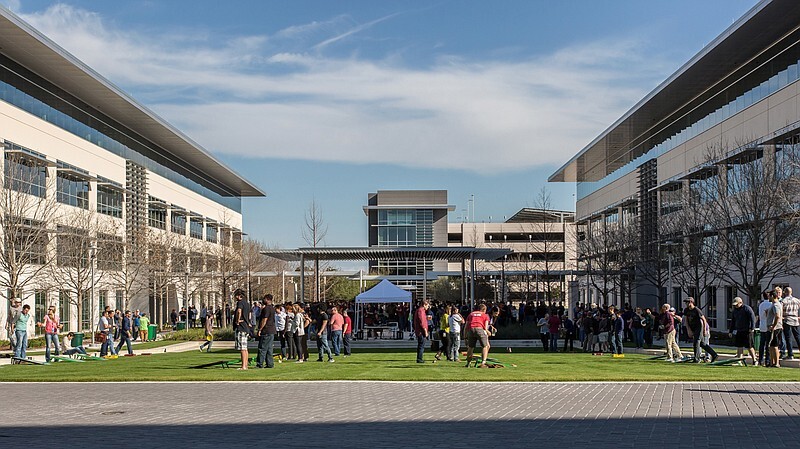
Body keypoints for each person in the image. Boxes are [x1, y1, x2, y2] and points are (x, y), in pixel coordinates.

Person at [682, 298, 717, 363]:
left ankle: (696, 359)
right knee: (702, 344)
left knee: (696, 342)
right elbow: (686, 320)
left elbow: (704, 320)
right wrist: (688, 330)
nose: (686, 304)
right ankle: (714, 354)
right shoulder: (686, 310)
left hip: (699, 327)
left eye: (687, 302)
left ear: (691, 302)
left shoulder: (697, 310)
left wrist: (704, 330)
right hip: (693, 328)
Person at [728, 296, 757, 365]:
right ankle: (739, 361)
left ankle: (754, 360)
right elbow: (733, 321)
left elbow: (752, 318)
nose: (736, 306)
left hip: (747, 330)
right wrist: (730, 331)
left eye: (737, 304)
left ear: (741, 303)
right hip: (739, 330)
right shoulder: (735, 311)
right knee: (739, 346)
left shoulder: (747, 309)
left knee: (749, 346)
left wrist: (752, 328)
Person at [464, 304, 491, 368]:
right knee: (485, 346)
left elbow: (466, 326)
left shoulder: (471, 314)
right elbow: (485, 327)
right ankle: (483, 362)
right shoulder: (485, 315)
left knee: (470, 347)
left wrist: (465, 337)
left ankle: (468, 363)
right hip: (479, 329)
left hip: (471, 329)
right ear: (483, 309)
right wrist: (488, 332)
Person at [233, 289, 252, 370]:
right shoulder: (247, 303)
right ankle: (246, 365)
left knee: (242, 348)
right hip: (246, 326)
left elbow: (239, 311)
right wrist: (248, 321)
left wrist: (237, 320)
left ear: (239, 295)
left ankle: (243, 366)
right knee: (245, 348)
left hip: (241, 327)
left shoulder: (240, 303)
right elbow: (250, 314)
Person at [256, 294, 277, 369]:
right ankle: (270, 363)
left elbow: (264, 320)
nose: (263, 300)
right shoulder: (272, 308)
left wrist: (260, 329)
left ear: (267, 299)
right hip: (272, 330)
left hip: (266, 330)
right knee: (269, 348)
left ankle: (259, 364)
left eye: (264, 299)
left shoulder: (267, 309)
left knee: (262, 348)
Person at [766, 291, 784, 368]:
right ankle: (772, 362)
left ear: (773, 296)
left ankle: (777, 363)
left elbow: (777, 316)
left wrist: (773, 326)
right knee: (771, 346)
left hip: (775, 328)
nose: (768, 298)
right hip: (773, 327)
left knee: (775, 345)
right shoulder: (773, 305)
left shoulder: (776, 305)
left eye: (769, 296)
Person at [782, 287, 800, 360]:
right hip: (795, 319)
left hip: (787, 319)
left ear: (785, 292)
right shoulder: (797, 300)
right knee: (797, 337)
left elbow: (781, 309)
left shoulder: (784, 301)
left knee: (788, 338)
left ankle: (790, 354)